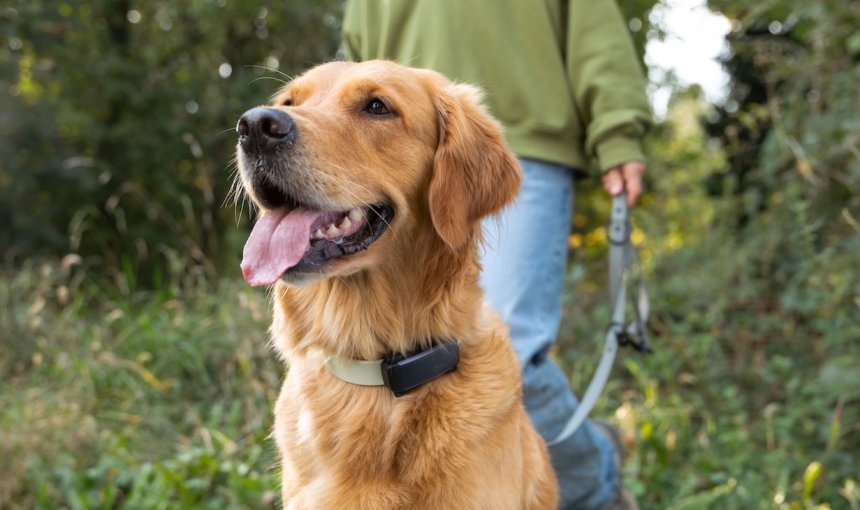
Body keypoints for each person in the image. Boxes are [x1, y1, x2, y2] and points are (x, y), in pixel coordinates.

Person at [342, 1, 651, 508]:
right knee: (393, 362)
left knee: (509, 348)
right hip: (404, 159)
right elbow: (356, 56)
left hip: (524, 143)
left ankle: (595, 483)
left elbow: (592, 21)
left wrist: (617, 129)